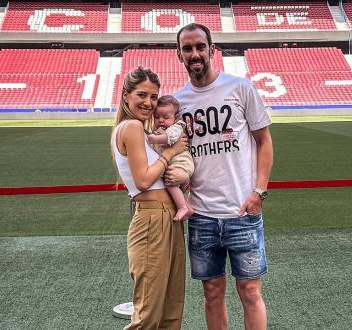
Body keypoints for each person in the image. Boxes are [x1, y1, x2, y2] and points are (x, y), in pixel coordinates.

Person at [167, 23, 274, 330]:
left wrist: (259, 192)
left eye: (200, 46)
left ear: (212, 50)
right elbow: (178, 154)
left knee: (250, 292)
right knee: (212, 294)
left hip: (242, 212)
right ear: (179, 55)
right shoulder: (178, 103)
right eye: (187, 48)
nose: (195, 53)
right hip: (201, 216)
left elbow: (264, 141)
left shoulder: (240, 88)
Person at [111, 67, 188, 330]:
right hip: (151, 218)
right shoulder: (131, 127)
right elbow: (144, 181)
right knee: (149, 313)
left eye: (154, 97)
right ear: (125, 96)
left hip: (168, 218)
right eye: (142, 95)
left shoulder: (144, 133)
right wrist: (171, 152)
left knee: (170, 307)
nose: (149, 103)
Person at [147, 95, 195, 221]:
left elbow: (169, 138)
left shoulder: (176, 127)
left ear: (176, 117)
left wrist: (154, 138)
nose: (161, 120)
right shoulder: (159, 129)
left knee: (170, 183)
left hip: (181, 162)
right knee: (170, 183)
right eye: (157, 117)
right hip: (175, 163)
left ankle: (182, 207)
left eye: (165, 117)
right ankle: (186, 207)